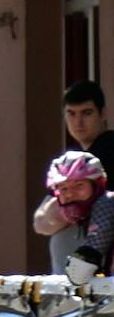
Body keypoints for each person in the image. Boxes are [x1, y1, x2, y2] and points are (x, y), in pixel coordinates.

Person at [39, 81, 114, 273]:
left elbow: (47, 218)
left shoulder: (109, 148)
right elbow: (40, 222)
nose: (78, 123)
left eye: (86, 113)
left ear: (103, 113)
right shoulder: (74, 160)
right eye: (71, 114)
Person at [39, 152, 114, 287]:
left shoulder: (108, 205)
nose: (70, 194)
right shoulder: (60, 235)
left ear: (98, 185)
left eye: (79, 185)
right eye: (64, 188)